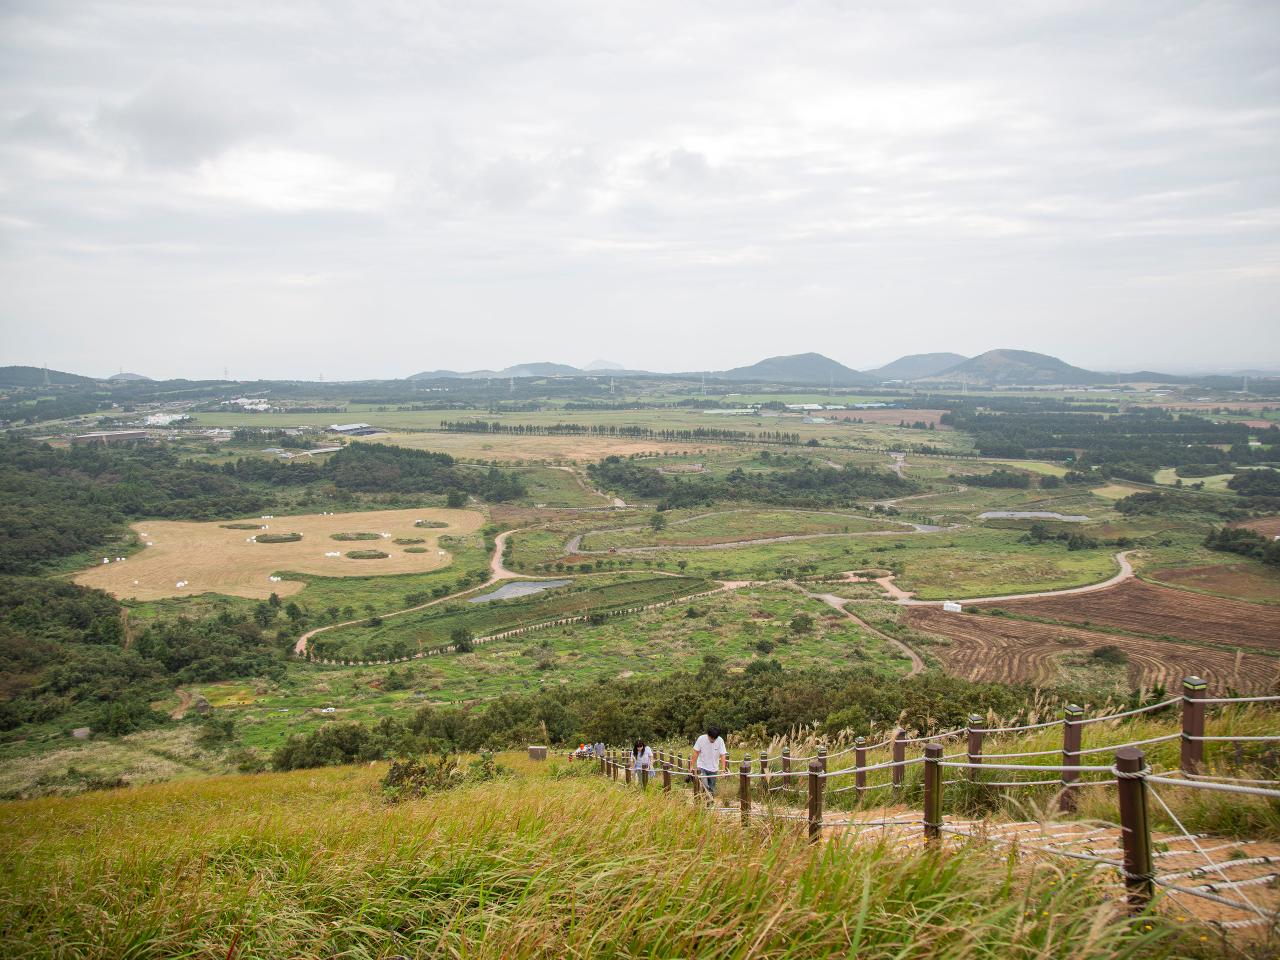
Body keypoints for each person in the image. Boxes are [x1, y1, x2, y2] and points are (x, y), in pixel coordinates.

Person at [690, 725, 727, 799]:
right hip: (702, 767)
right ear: (708, 735)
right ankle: (704, 804)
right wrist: (691, 767)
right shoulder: (701, 739)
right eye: (711, 738)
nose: (713, 740)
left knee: (711, 789)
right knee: (705, 786)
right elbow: (695, 753)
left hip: (714, 768)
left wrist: (723, 769)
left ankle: (709, 806)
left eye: (715, 738)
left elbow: (723, 755)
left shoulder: (720, 740)